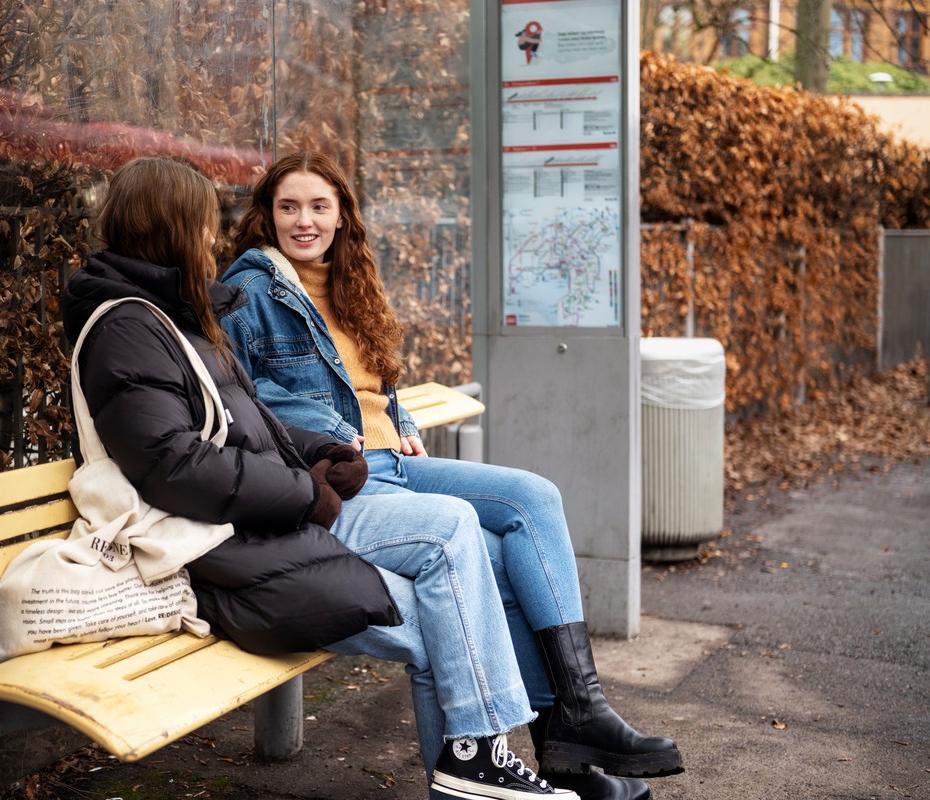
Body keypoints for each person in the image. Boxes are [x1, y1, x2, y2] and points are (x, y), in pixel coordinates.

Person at [61, 156, 576, 800]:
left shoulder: (175, 315)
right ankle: (478, 756)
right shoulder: (128, 328)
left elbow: (246, 420)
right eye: (201, 225)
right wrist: (306, 491)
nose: (211, 240)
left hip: (254, 521)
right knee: (451, 531)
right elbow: (173, 467)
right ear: (167, 228)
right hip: (215, 547)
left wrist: (319, 452)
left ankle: (479, 765)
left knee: (448, 612)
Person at [221, 150, 685, 800]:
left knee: (532, 497)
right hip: (342, 482)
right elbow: (243, 393)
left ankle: (576, 715)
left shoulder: (350, 281)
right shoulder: (247, 291)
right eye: (288, 207)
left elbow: (367, 379)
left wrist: (400, 415)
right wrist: (317, 425)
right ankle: (547, 753)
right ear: (266, 217)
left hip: (396, 465)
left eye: (318, 206)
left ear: (340, 215)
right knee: (487, 555)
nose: (304, 221)